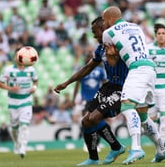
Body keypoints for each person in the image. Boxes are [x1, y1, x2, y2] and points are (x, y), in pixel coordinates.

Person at [54, 16, 128, 166]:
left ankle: (117, 147)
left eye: (95, 33)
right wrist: (67, 83)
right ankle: (94, 158)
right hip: (108, 86)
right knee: (85, 121)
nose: (94, 37)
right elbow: (87, 68)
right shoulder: (101, 48)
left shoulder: (120, 44)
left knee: (94, 118)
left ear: (104, 29)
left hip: (123, 88)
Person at [102, 6, 165, 164]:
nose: (104, 23)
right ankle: (161, 150)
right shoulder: (136, 27)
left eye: (105, 20)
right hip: (150, 69)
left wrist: (110, 54)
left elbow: (112, 62)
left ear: (111, 19)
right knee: (143, 115)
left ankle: (136, 148)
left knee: (126, 106)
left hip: (137, 69)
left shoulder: (108, 33)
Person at [0, 46, 38, 158]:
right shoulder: (8, 70)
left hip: (26, 100)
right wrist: (10, 88)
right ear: (15, 58)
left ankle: (23, 148)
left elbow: (35, 81)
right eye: (17, 56)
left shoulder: (31, 70)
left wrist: (34, 88)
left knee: (24, 125)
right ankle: (16, 143)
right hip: (13, 101)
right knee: (14, 127)